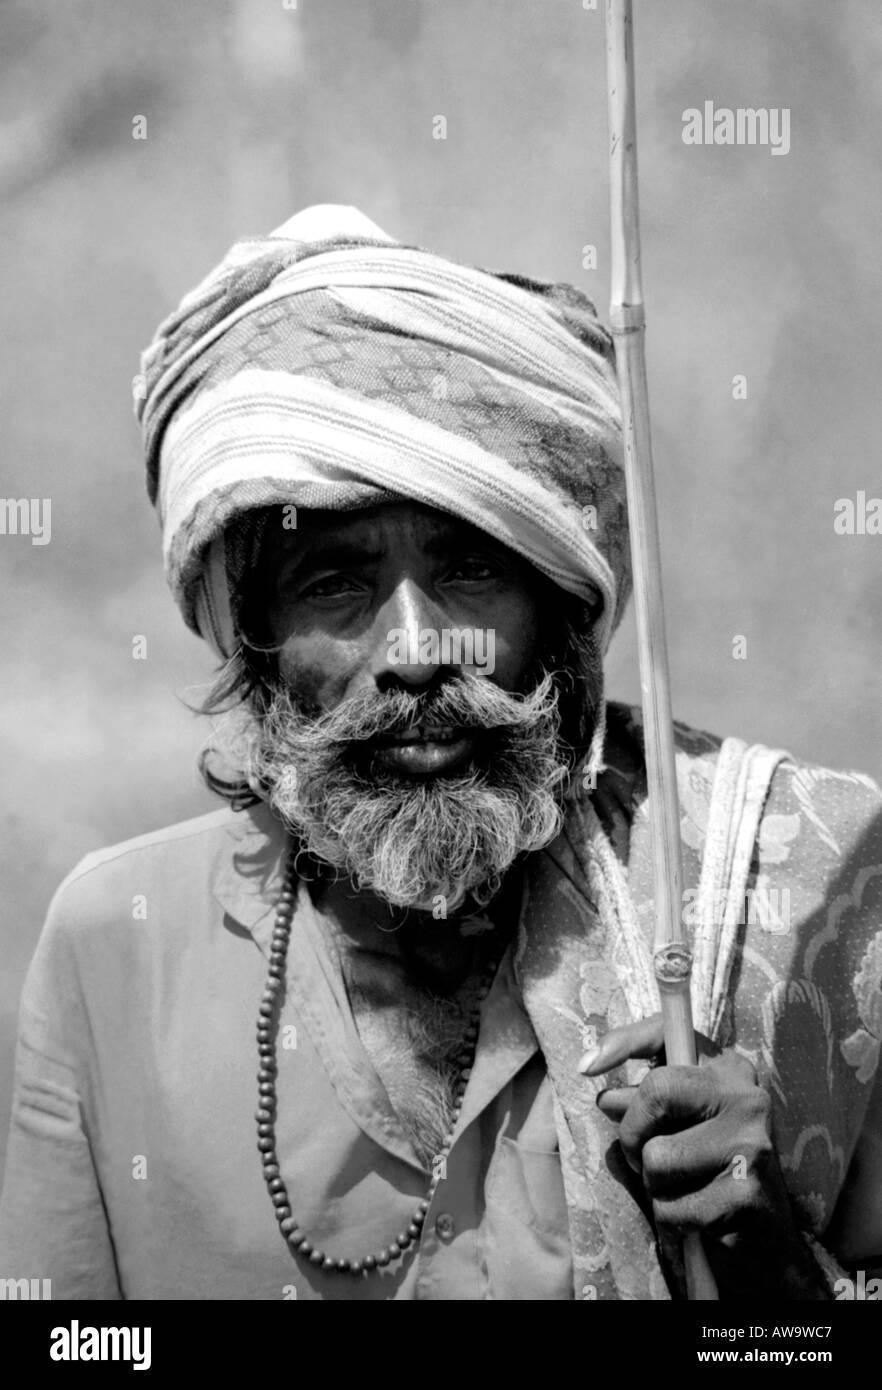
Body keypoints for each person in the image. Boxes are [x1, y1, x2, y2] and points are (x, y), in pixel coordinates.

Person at [1, 205, 880, 1301]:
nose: (417, 652)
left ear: (560, 611)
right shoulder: (114, 947)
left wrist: (770, 1260)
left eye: (470, 568)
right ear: (258, 639)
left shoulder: (796, 912)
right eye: (336, 583)